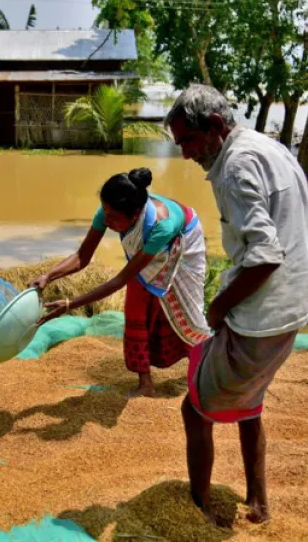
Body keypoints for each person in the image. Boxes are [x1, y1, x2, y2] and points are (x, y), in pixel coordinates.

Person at [165, 84, 308, 523]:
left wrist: (218, 306)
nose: (186, 155)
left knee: (194, 409)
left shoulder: (236, 166)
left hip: (262, 313)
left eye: (189, 141)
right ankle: (258, 501)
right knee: (250, 402)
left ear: (214, 126)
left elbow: (266, 256)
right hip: (292, 305)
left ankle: (197, 512)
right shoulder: (267, 147)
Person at [31, 167, 211, 397]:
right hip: (147, 247)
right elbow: (82, 256)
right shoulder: (109, 211)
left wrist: (69, 304)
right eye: (105, 212)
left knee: (187, 315)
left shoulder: (161, 226)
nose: (106, 220)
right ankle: (145, 384)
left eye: (113, 217)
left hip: (182, 244)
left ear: (135, 214)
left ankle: (208, 371)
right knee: (135, 308)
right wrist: (48, 275)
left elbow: (119, 280)